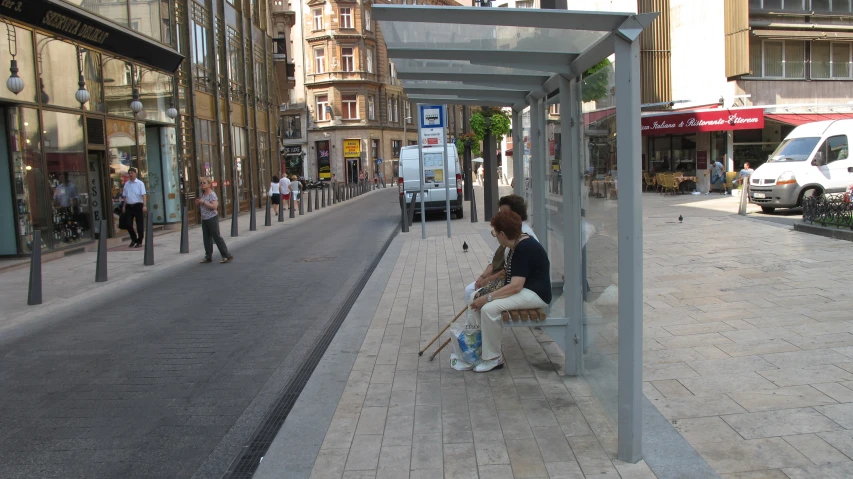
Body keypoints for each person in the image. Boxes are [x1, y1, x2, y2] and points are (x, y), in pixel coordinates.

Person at [467, 210, 551, 372]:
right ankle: (475, 348)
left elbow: (516, 286)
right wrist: (484, 293)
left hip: (536, 293)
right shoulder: (515, 244)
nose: (495, 236)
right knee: (473, 296)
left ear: (503, 234)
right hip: (525, 289)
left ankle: (493, 358)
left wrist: (488, 298)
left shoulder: (524, 247)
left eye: (495, 233)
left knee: (489, 308)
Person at [464, 194, 538, 304]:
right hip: (508, 281)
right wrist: (483, 276)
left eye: (505, 214)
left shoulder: (522, 235)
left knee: (474, 294)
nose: (501, 217)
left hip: (522, 287)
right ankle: (473, 321)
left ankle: (477, 321)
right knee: (472, 292)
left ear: (516, 215)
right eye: (500, 213)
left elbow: (510, 272)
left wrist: (487, 283)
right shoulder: (510, 230)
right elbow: (494, 257)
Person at [196, 177, 233, 263]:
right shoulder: (203, 194)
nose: (202, 184)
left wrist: (203, 202)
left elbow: (214, 207)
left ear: (209, 184)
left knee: (216, 236)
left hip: (212, 218)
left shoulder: (212, 194)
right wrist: (198, 203)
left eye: (204, 183)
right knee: (206, 238)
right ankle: (208, 256)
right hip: (204, 218)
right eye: (201, 183)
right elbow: (203, 205)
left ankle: (226, 255)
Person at [121, 167, 147, 248]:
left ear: (135, 174)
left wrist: (144, 205)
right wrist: (124, 206)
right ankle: (133, 238)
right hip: (129, 206)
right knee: (128, 224)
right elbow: (125, 196)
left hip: (138, 205)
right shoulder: (126, 184)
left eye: (132, 173)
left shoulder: (140, 183)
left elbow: (143, 195)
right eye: (129, 173)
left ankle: (139, 240)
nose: (130, 174)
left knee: (139, 224)